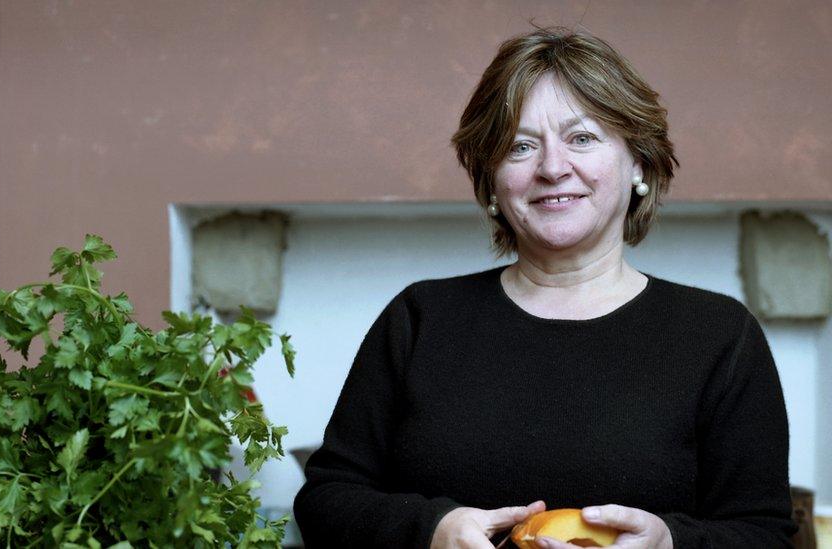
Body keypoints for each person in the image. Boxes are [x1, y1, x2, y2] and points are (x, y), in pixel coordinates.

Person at [293, 26, 796, 548]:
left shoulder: (718, 334)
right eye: (520, 146)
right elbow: (326, 500)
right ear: (491, 182)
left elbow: (765, 534)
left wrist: (670, 543)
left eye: (582, 138)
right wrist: (432, 531)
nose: (553, 168)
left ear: (638, 163)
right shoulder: (420, 318)